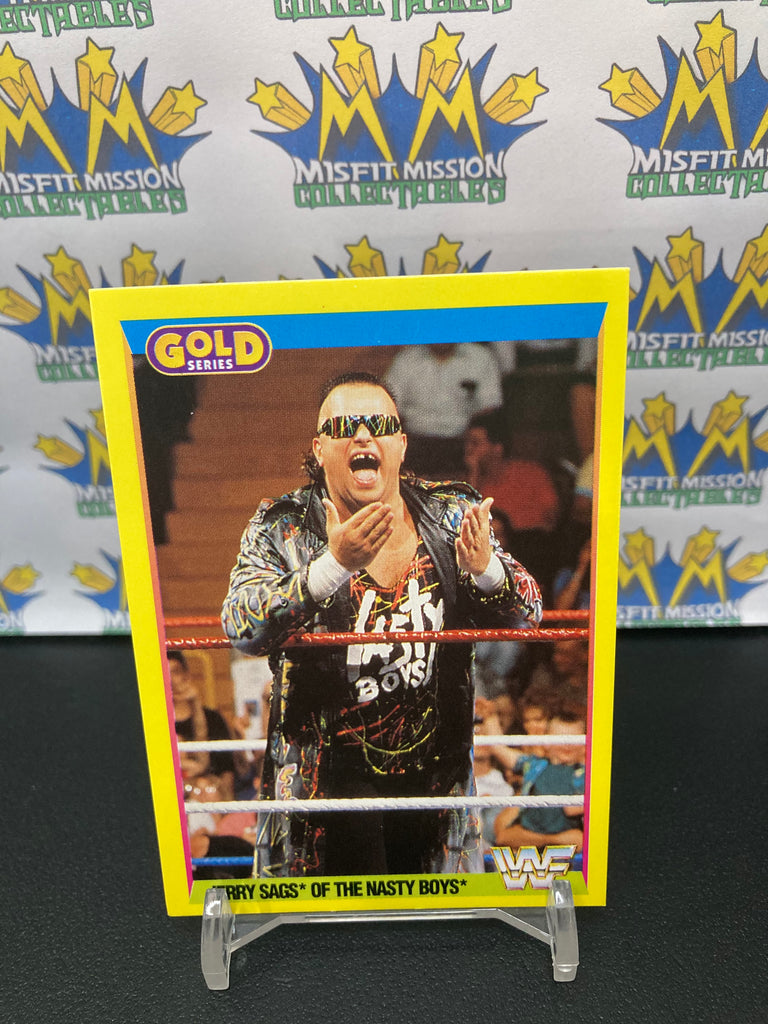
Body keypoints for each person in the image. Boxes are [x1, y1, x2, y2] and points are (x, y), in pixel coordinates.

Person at [221, 371, 542, 877]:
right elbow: (240, 626)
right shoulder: (282, 525)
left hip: (436, 780)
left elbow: (529, 613)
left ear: (401, 444)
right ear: (320, 449)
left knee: (439, 920)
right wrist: (331, 568)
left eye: (380, 424)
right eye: (344, 425)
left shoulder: (451, 513)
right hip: (325, 784)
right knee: (330, 923)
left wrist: (486, 570)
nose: (363, 435)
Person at [385, 343, 503, 479]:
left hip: (461, 441)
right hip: (416, 442)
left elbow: (490, 407)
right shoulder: (406, 359)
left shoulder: (480, 357)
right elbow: (389, 403)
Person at [168, 651, 236, 798]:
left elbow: (226, 769)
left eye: (175, 672)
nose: (170, 680)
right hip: (172, 787)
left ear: (186, 676)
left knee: (206, 788)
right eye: (164, 674)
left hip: (210, 790)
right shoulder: (156, 723)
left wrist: (195, 704)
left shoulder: (213, 719)